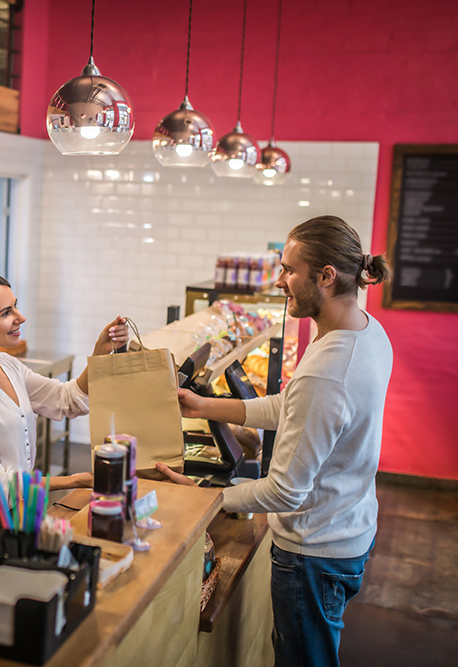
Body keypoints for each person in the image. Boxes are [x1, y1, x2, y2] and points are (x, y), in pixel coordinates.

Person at [157, 215, 393, 667]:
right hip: (349, 527)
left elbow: (286, 490)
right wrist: (206, 406)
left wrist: (205, 500)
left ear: (325, 276)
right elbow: (291, 405)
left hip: (314, 552)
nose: (279, 280)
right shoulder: (365, 330)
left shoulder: (329, 370)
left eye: (288, 270)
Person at [0, 272, 127, 568]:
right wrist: (74, 481)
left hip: (24, 514)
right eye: (7, 312)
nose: (20, 318)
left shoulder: (7, 366)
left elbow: (66, 400)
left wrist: (100, 353)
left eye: (16, 307)